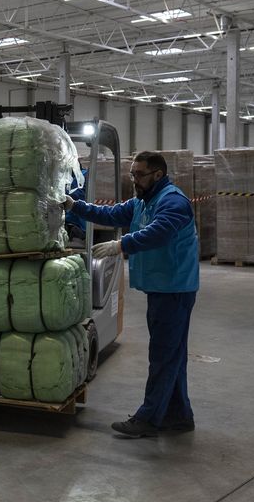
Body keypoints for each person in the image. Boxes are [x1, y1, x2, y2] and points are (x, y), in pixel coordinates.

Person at [63, 151, 200, 438]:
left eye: (139, 174)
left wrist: (121, 245)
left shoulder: (173, 202)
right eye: (132, 174)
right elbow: (111, 213)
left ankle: (148, 419)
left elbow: (159, 232)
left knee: (162, 355)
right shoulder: (143, 201)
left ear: (157, 175)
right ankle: (179, 415)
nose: (134, 179)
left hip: (174, 289)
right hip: (162, 287)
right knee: (172, 354)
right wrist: (75, 205)